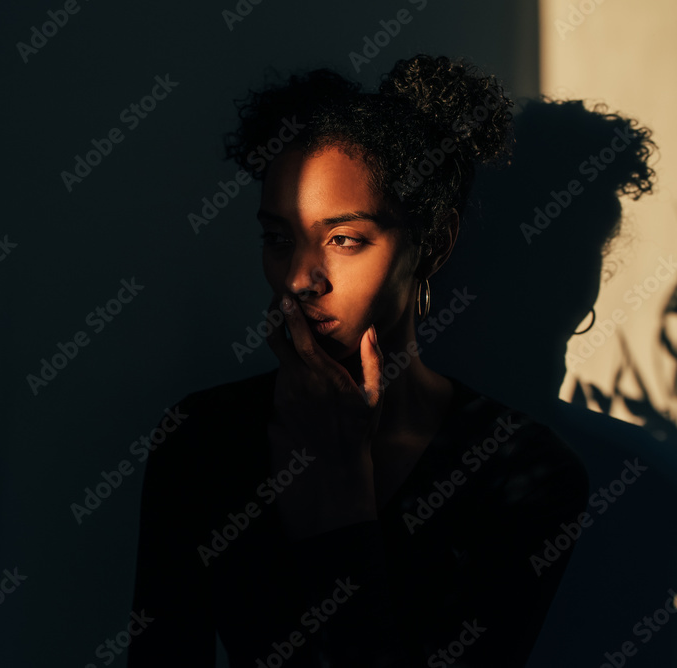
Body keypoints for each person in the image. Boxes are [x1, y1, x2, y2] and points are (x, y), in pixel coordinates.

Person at [127, 54, 590, 667]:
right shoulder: (201, 437)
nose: (300, 279)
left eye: (343, 240)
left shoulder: (525, 470)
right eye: (278, 238)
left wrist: (343, 490)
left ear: (433, 243)